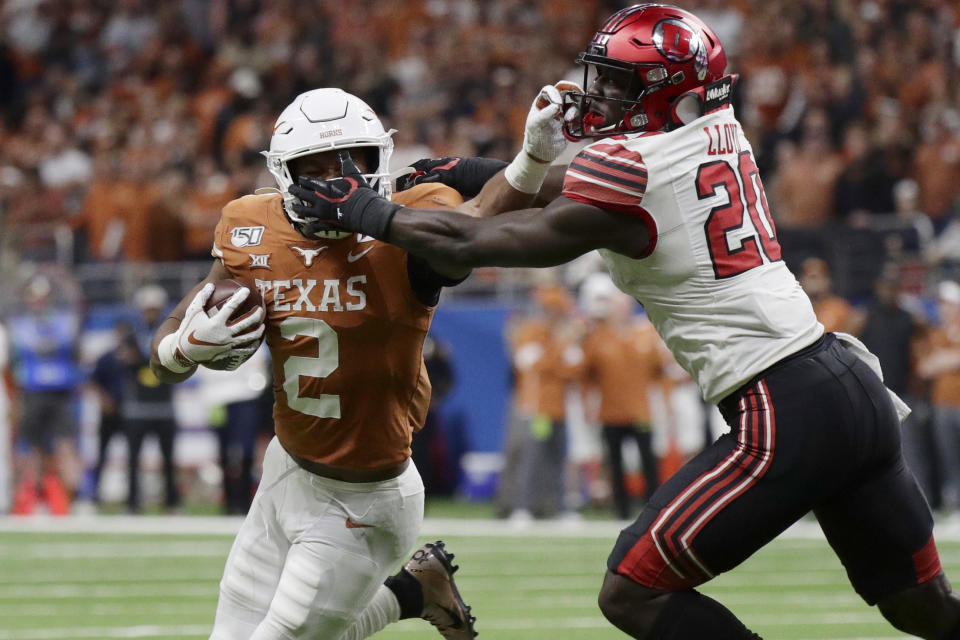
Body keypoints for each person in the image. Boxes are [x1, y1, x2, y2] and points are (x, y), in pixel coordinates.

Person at [288, 5, 960, 638]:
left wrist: (371, 213)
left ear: (666, 91)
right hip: (849, 384)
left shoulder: (633, 167)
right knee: (921, 607)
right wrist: (474, 170)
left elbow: (478, 244)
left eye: (617, 84)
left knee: (632, 590)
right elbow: (607, 189)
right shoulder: (718, 131)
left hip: (786, 409)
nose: (598, 96)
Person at [150, 86, 563, 640]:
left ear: (379, 160)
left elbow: (481, 223)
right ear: (283, 172)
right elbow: (169, 349)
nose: (334, 178)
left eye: (351, 161)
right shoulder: (250, 224)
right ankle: (415, 591)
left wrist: (533, 158)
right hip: (286, 469)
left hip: (366, 496)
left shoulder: (413, 221)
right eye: (315, 165)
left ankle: (411, 592)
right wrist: (181, 350)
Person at [580, 272, 662, 520]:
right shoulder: (598, 337)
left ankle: (652, 509)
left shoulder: (644, 334)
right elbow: (586, 373)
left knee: (648, 461)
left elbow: (658, 368)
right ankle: (621, 510)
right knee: (615, 464)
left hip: (639, 409)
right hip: (611, 411)